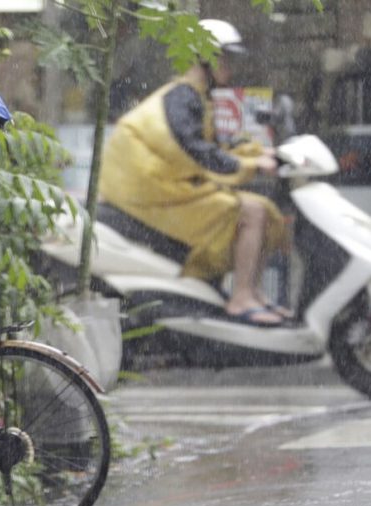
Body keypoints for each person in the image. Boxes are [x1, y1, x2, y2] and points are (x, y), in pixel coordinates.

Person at [98, 18, 288, 326]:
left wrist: (259, 153)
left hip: (163, 190)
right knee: (251, 213)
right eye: (225, 58)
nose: (230, 67)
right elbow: (193, 151)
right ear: (205, 59)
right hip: (151, 196)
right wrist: (249, 165)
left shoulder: (195, 95)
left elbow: (210, 147)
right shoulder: (183, 96)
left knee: (262, 210)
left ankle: (252, 293)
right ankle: (241, 298)